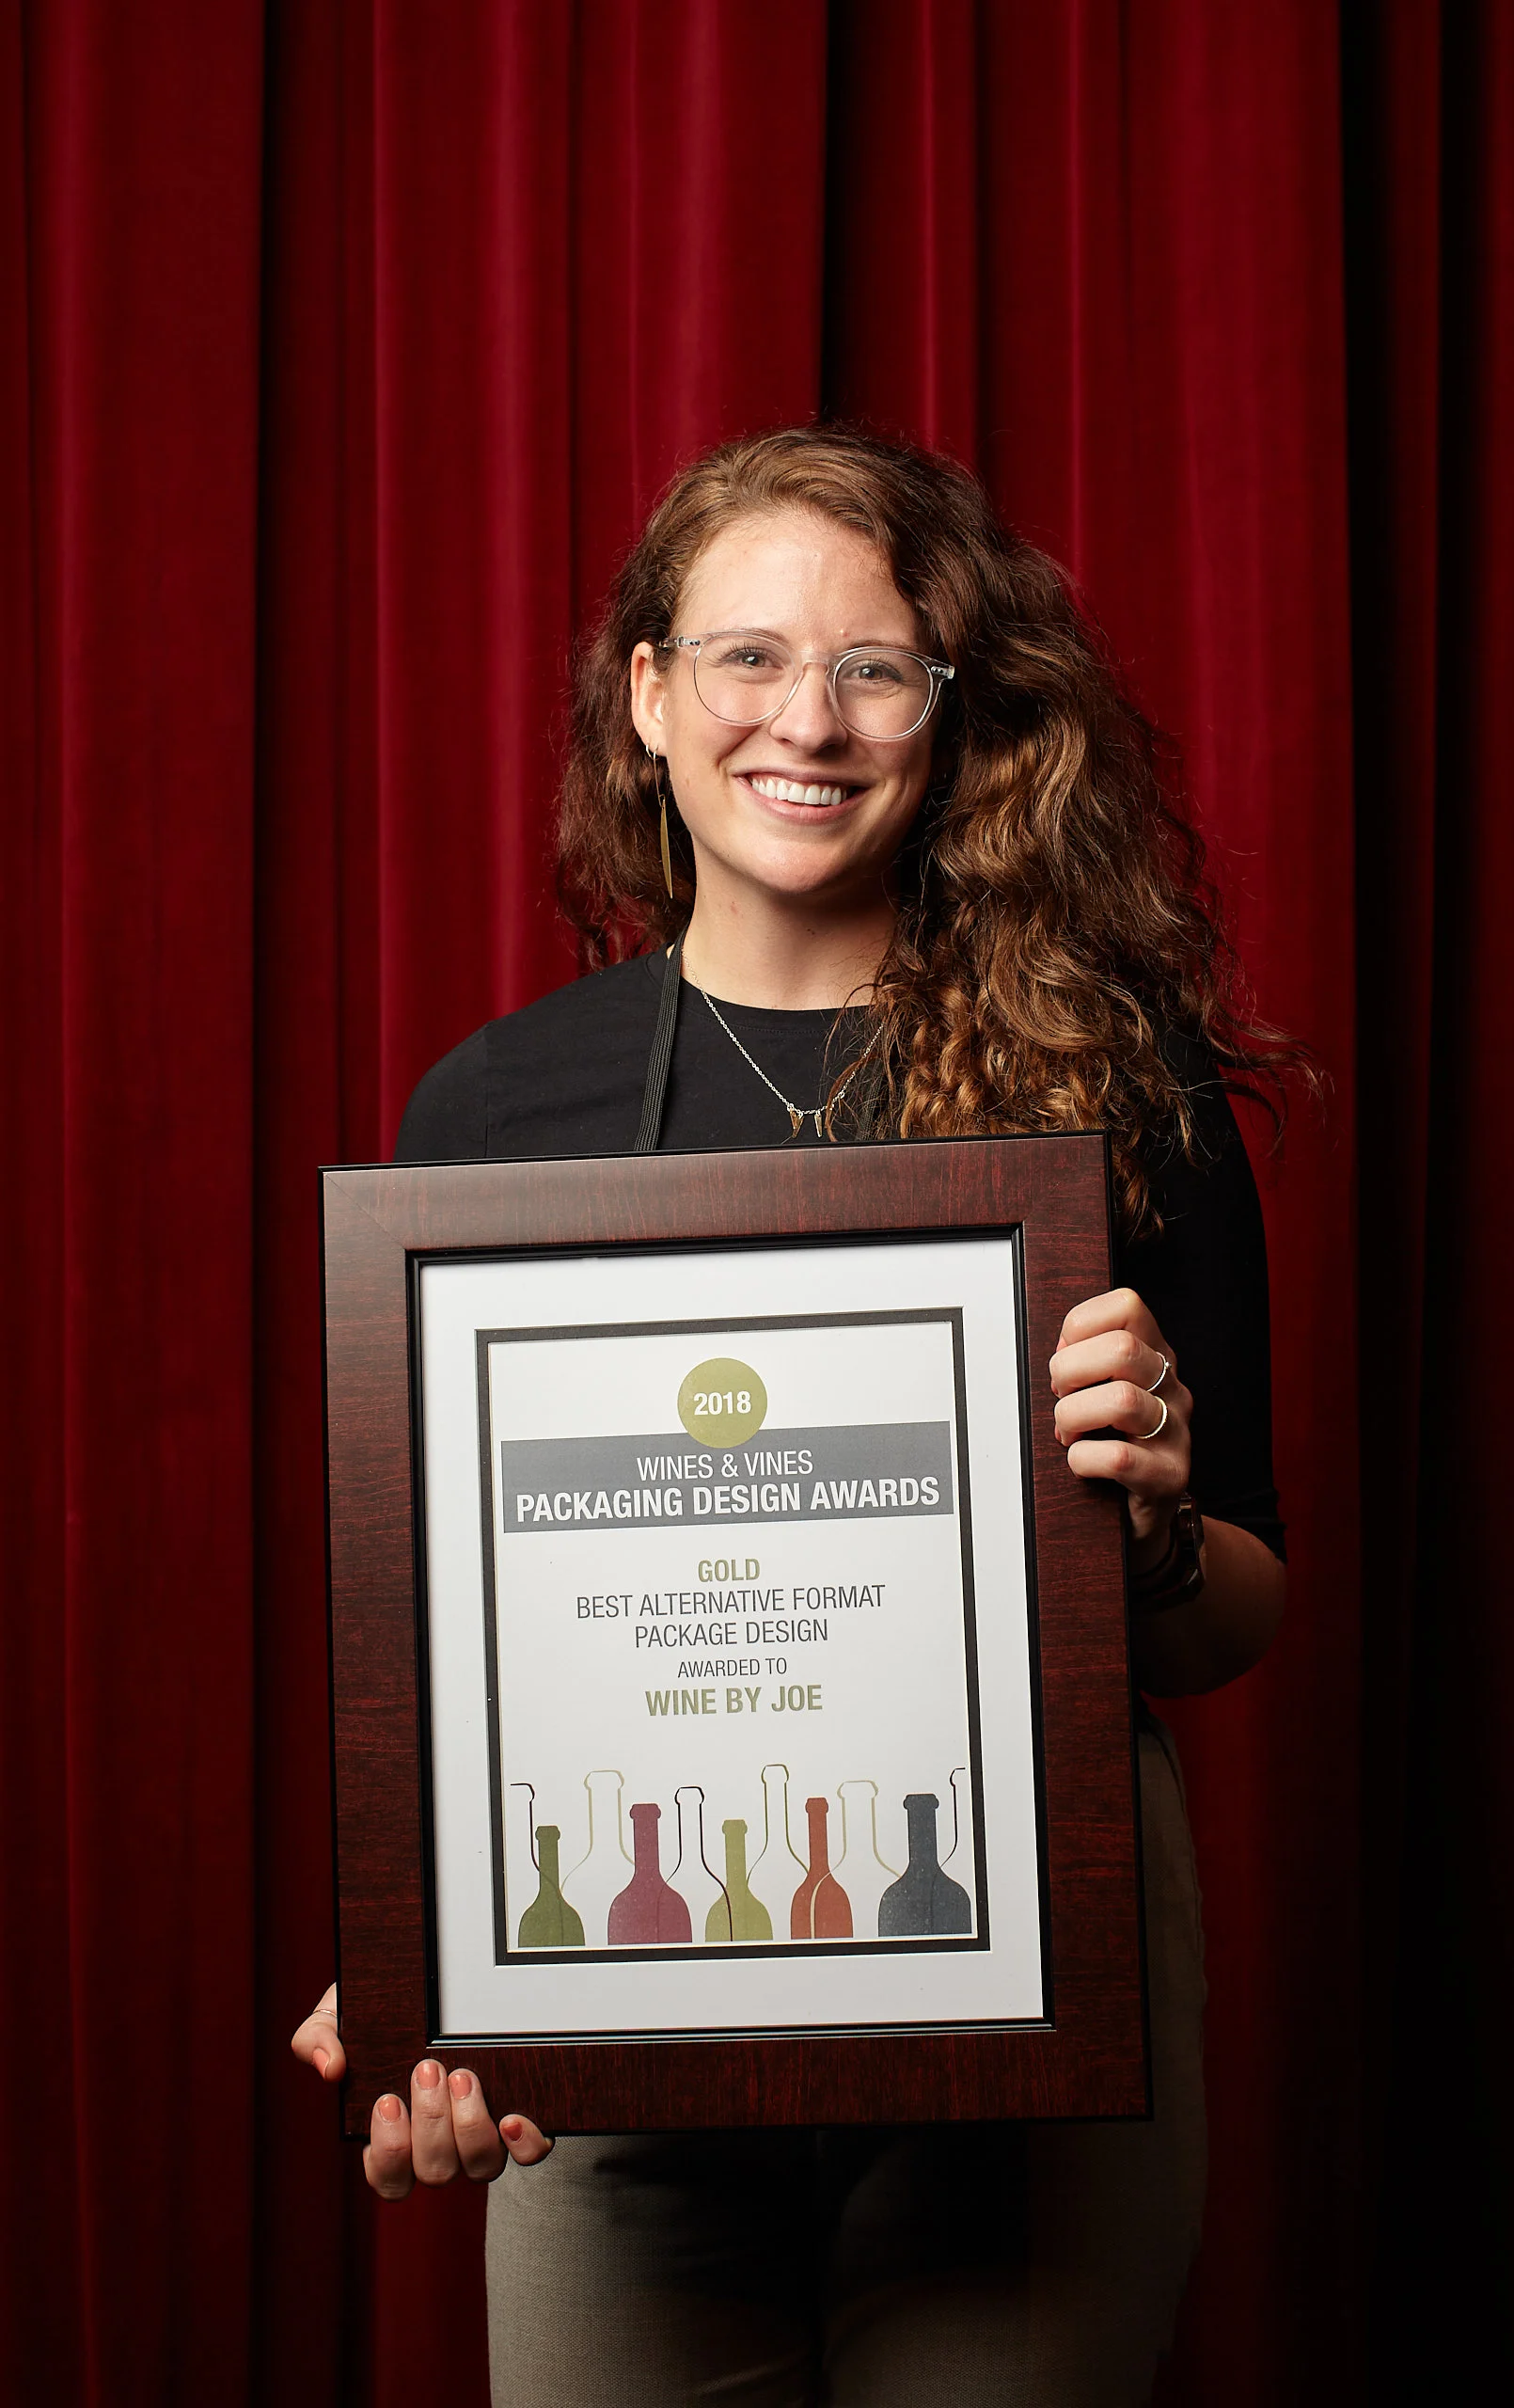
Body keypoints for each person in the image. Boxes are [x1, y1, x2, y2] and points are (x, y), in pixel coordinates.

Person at [293, 424, 1291, 2405]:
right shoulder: (493, 1118)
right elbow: (471, 1659)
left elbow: (1228, 1613)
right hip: (622, 2038)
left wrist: (1159, 1511)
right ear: (649, 696)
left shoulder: (1111, 1079)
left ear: (950, 711)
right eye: (745, 658)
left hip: (1034, 1995)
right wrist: (430, 1954)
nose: (805, 722)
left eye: (871, 667)